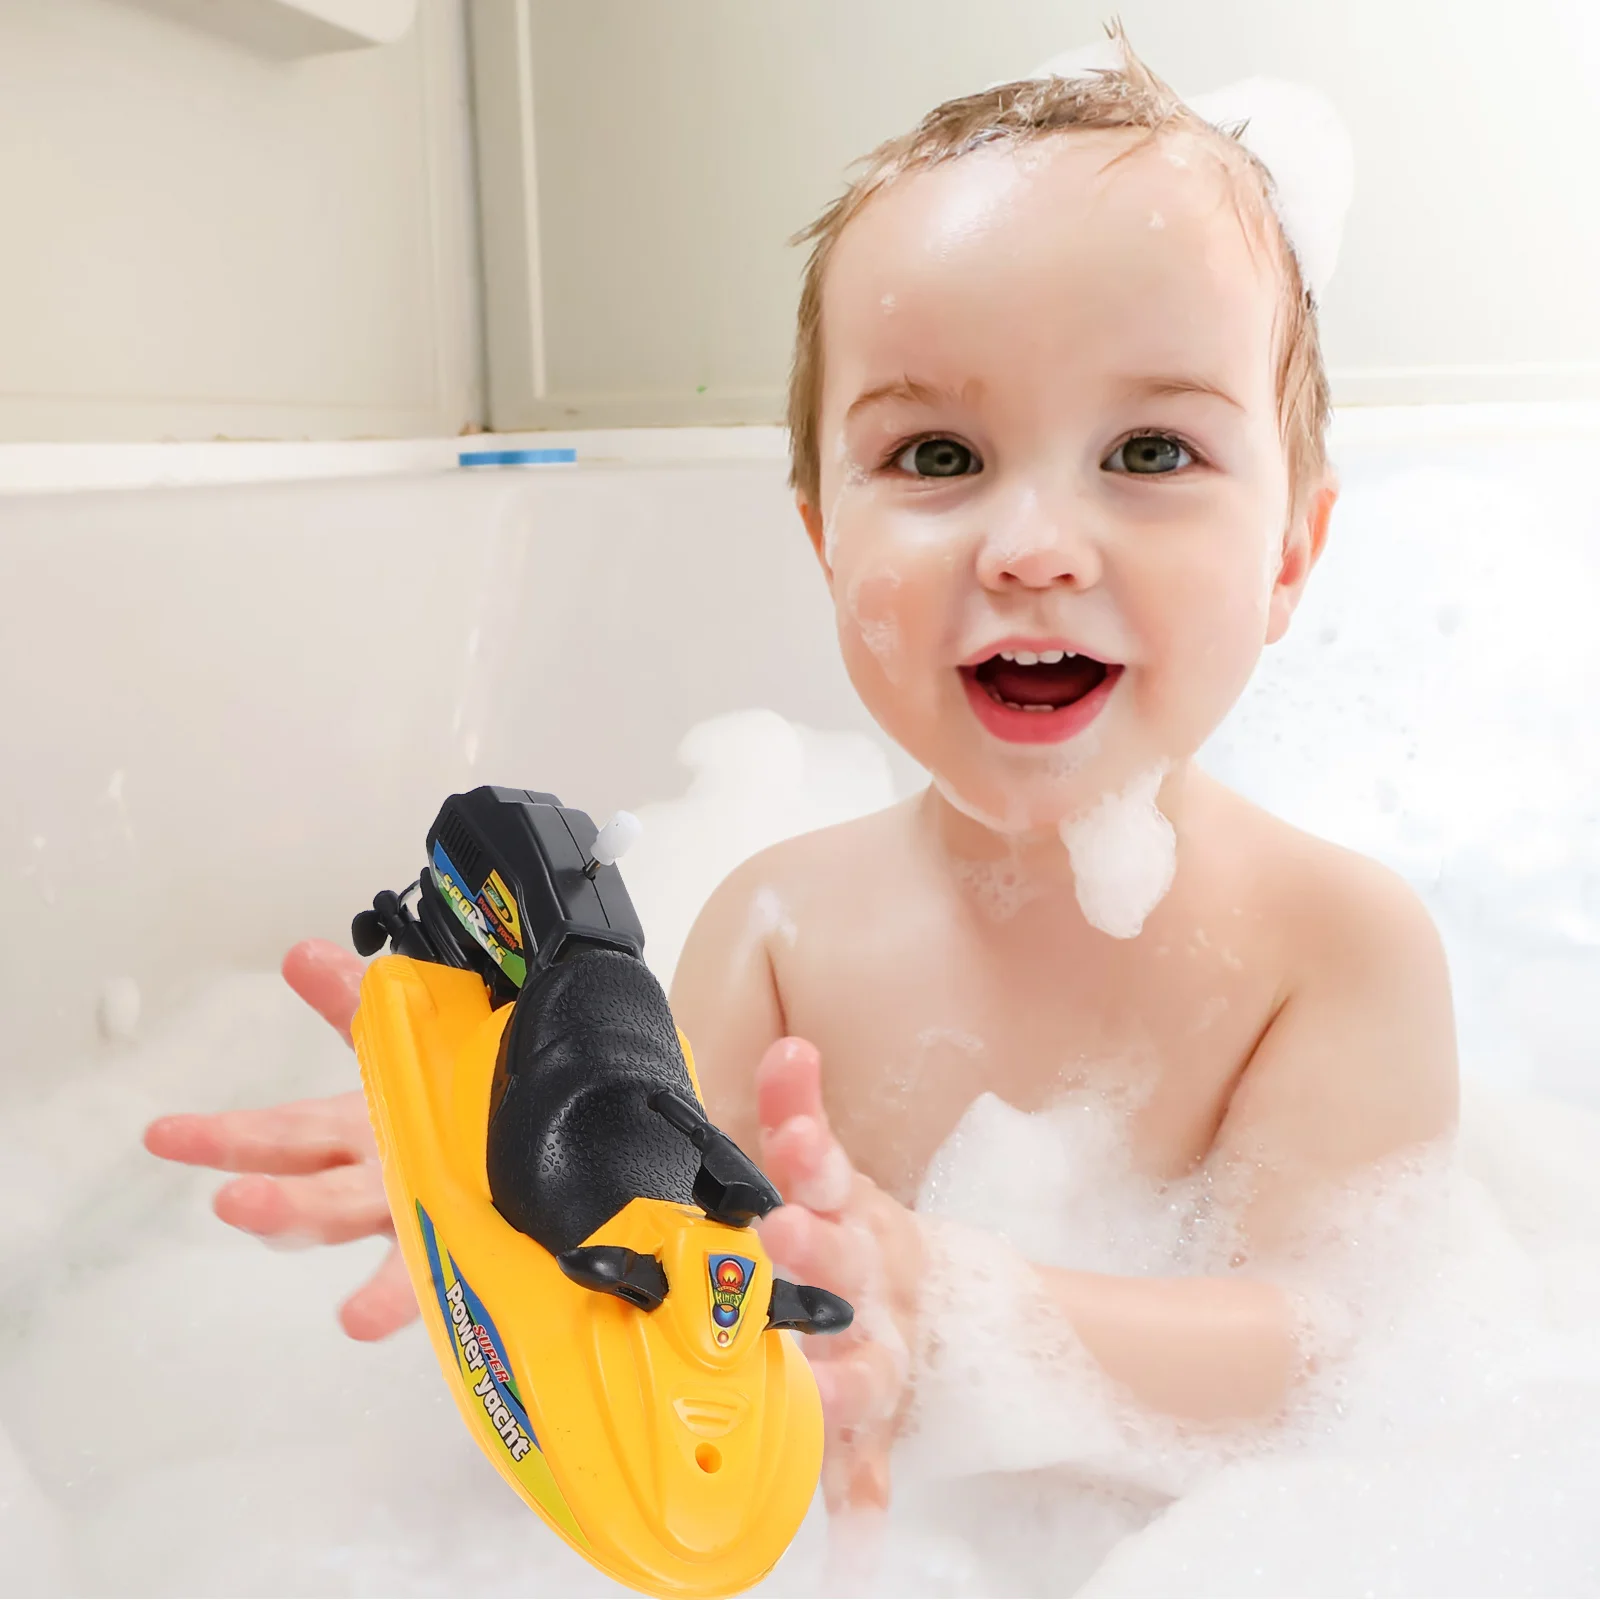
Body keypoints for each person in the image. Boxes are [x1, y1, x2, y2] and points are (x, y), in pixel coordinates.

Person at [145, 36, 1456, 1519]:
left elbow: (1321, 1356)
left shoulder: (1337, 946)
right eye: (939, 454)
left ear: (1291, 553)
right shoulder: (777, 926)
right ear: (827, 535)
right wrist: (491, 1185)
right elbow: (658, 1271)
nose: (1031, 542)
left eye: (1150, 448)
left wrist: (964, 1318)